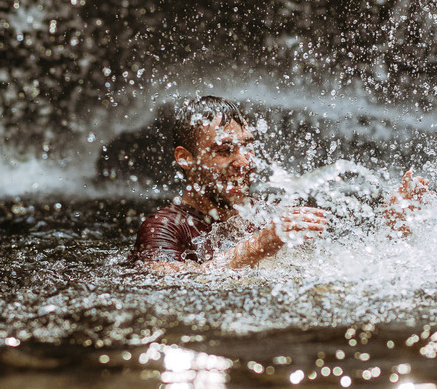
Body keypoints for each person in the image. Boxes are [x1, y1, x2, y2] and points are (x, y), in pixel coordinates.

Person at [132, 96, 327, 273]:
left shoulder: (269, 217)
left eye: (248, 147)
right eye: (225, 150)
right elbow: (166, 280)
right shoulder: (165, 227)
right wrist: (258, 245)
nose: (244, 162)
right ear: (185, 158)